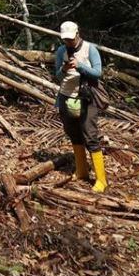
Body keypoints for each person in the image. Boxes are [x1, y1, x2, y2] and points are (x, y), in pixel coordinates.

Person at [53, 21, 108, 190]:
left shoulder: (90, 49)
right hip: (66, 96)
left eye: (70, 38)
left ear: (78, 34)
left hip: (86, 98)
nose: (68, 42)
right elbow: (57, 75)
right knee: (73, 133)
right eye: (65, 39)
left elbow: (98, 72)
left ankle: (101, 180)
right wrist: (63, 69)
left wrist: (80, 66)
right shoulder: (61, 51)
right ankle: (82, 171)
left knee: (90, 135)